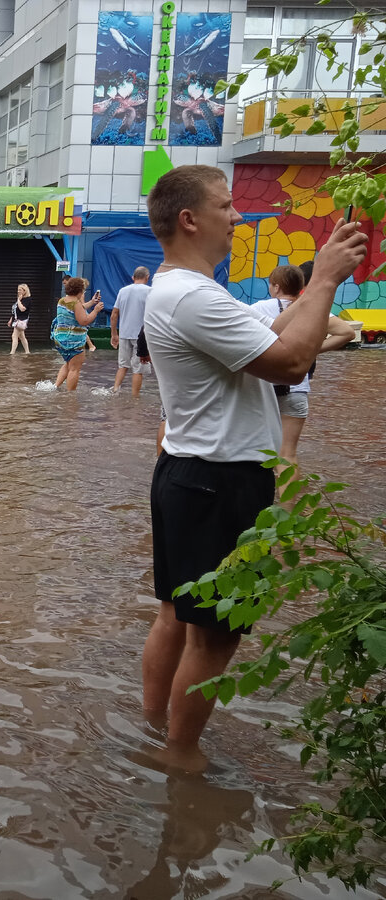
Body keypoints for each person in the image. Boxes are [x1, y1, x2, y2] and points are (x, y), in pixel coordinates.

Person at [140, 165, 366, 770]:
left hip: (186, 470)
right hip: (223, 478)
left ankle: (154, 729)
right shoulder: (194, 295)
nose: (238, 217)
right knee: (216, 636)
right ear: (190, 219)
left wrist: (314, 291)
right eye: (226, 206)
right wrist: (322, 279)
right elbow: (291, 363)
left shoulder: (178, 291)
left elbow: (265, 336)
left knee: (174, 614)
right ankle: (181, 757)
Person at [249, 264, 354, 464]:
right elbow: (347, 333)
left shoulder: (259, 309)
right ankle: (289, 496)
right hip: (296, 390)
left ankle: (260, 494)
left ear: (277, 287)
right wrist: (312, 350)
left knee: (255, 452)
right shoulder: (313, 310)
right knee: (287, 454)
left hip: (263, 390)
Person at [51, 277, 104, 390]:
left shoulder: (62, 301)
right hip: (74, 341)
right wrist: (95, 310)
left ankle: (55, 387)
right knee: (74, 368)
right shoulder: (76, 303)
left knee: (68, 364)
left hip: (61, 339)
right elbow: (84, 321)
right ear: (79, 291)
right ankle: (71, 396)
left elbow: (77, 309)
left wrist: (92, 302)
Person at [110, 266, 153, 396]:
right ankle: (135, 399)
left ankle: (115, 390)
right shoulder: (151, 291)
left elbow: (114, 314)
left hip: (124, 334)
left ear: (133, 277)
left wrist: (114, 334)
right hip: (142, 336)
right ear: (147, 277)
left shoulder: (122, 291)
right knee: (138, 369)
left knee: (122, 366)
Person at [9, 283, 32, 354]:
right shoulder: (21, 299)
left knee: (14, 336)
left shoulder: (27, 299)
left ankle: (12, 353)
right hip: (16, 320)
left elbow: (22, 309)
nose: (18, 291)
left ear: (25, 291)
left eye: (20, 290)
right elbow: (15, 310)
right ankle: (27, 352)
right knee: (22, 337)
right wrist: (11, 319)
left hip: (21, 320)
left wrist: (18, 300)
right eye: (18, 290)